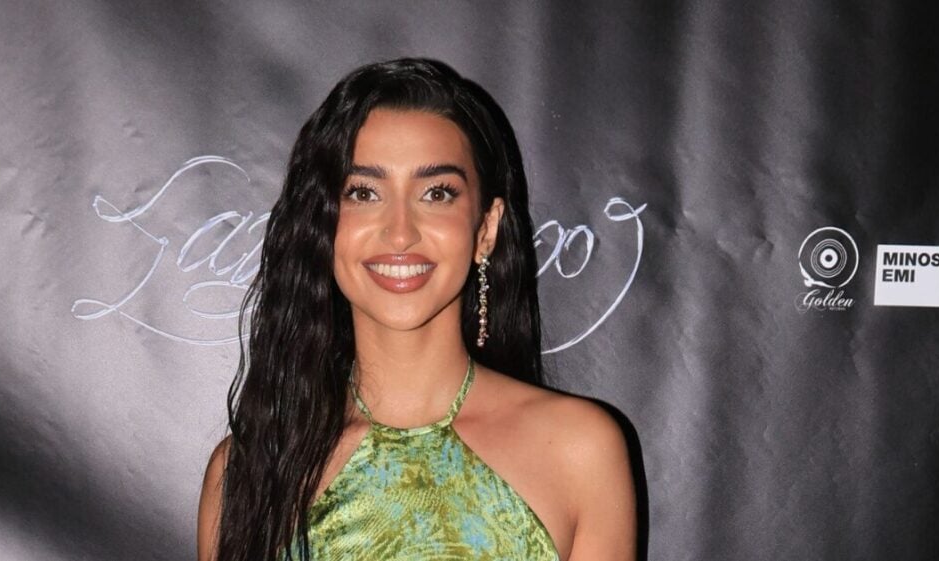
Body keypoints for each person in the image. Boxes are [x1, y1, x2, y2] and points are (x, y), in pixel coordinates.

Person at [197, 57, 636, 561]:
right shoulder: (245, 473)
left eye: (436, 193)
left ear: (486, 228)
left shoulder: (581, 451)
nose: (400, 232)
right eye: (364, 193)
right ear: (324, 226)